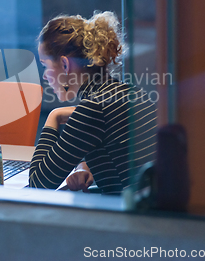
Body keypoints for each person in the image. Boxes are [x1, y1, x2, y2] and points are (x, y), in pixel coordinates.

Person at [29, 11, 158, 194]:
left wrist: (54, 116)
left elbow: (38, 183)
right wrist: (84, 165)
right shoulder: (129, 92)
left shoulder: (93, 108)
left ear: (65, 65)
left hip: (132, 219)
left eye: (45, 65)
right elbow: (114, 148)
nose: (45, 76)